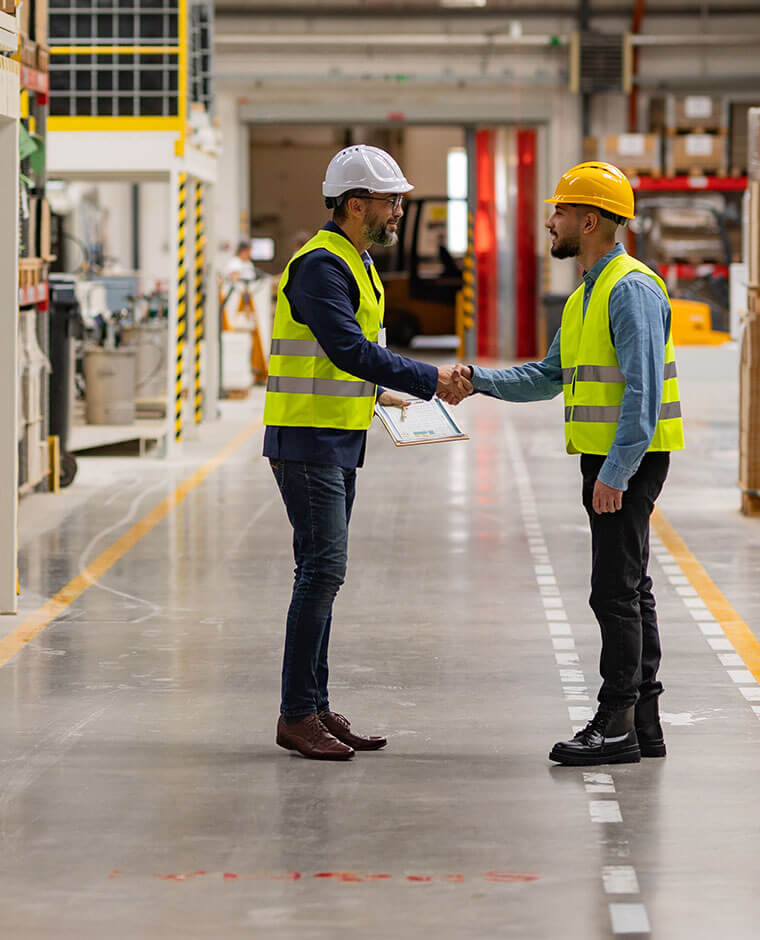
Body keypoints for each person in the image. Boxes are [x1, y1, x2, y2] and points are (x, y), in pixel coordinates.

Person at [453, 162, 684, 766]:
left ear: (589, 220)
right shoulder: (587, 292)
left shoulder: (628, 287)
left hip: (623, 460)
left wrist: (615, 471)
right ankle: (645, 721)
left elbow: (642, 391)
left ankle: (616, 725)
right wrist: (477, 381)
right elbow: (547, 376)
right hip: (610, 458)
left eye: (558, 212)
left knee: (613, 591)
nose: (549, 222)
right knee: (632, 587)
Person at [265, 144, 475, 761]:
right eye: (392, 200)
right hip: (307, 440)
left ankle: (315, 705)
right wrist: (427, 379)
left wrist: (382, 390)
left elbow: (350, 359)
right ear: (357, 204)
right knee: (321, 573)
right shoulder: (321, 266)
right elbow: (347, 350)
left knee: (324, 574)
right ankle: (296, 714)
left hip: (336, 435)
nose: (400, 211)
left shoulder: (356, 261)